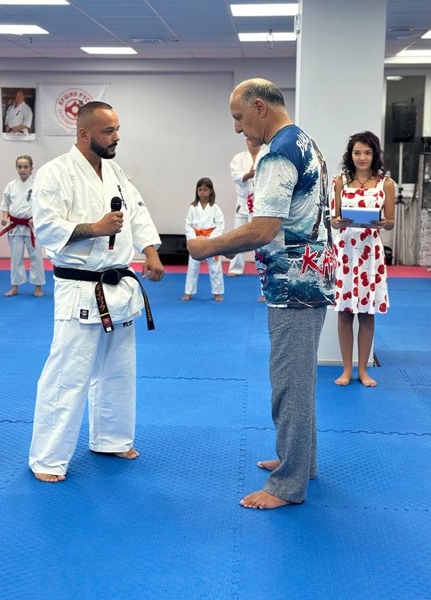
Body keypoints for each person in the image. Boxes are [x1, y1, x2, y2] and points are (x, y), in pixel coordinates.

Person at [187, 78, 335, 510]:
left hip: (293, 283)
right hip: (312, 277)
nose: (237, 128)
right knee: (300, 379)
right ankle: (300, 462)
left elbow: (264, 228)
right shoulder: (305, 141)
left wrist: (206, 247)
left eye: (238, 117)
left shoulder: (278, 154)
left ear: (259, 107)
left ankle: (288, 485)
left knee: (289, 383)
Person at [28, 101, 164, 483]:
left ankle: (111, 439)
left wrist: (151, 252)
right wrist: (96, 227)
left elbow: (137, 213)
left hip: (119, 285)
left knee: (119, 369)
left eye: (117, 129)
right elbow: (47, 227)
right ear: (84, 133)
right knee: (67, 374)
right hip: (80, 287)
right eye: (108, 131)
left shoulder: (115, 171)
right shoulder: (55, 173)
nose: (116, 137)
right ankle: (47, 458)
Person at [331, 131, 395, 387]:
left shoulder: (385, 184)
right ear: (351, 155)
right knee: (345, 312)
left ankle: (363, 370)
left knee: (367, 313)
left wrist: (383, 222)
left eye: (367, 153)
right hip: (346, 251)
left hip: (370, 254)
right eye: (357, 152)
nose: (362, 157)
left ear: (374, 155)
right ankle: (346, 369)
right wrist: (338, 221)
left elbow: (391, 222)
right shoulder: (340, 182)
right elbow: (333, 220)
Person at [0, 155, 45, 297]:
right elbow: (5, 204)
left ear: (31, 168)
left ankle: (38, 286)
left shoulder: (38, 185)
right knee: (16, 257)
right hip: (15, 226)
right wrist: (4, 218)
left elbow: (44, 206)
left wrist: (36, 218)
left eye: (25, 167)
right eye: (20, 167)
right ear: (16, 168)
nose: (22, 169)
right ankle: (15, 286)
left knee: (36, 257)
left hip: (32, 227)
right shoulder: (11, 186)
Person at [182, 177, 225, 302]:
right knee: (192, 267)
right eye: (200, 189)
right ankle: (189, 292)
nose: (202, 192)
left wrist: (210, 240)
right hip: (196, 240)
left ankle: (217, 293)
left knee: (215, 267)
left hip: (211, 241)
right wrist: (193, 239)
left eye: (205, 190)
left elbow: (220, 225)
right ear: (197, 191)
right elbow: (188, 225)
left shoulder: (215, 208)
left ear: (210, 191)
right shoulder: (193, 207)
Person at [227, 139, 262, 277]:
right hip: (243, 201)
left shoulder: (266, 155)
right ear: (246, 142)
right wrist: (248, 175)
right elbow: (236, 176)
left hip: (261, 202)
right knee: (239, 235)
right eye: (248, 140)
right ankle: (235, 268)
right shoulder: (239, 158)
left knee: (261, 236)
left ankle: (263, 267)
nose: (251, 142)